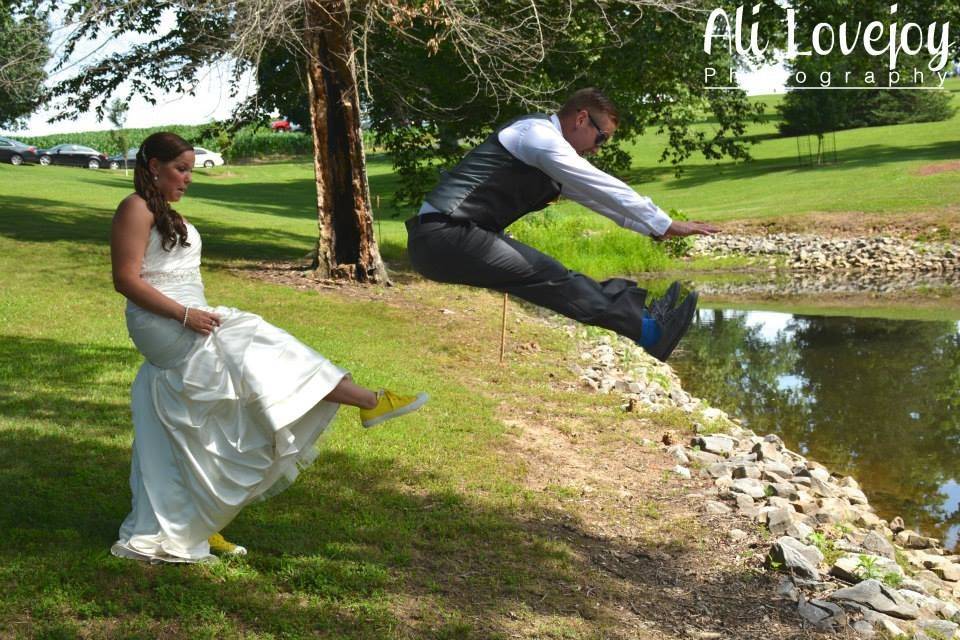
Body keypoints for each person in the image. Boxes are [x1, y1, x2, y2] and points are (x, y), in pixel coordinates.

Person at [110, 132, 428, 564]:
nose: (188, 179)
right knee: (260, 346)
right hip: (164, 321)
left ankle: (199, 523)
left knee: (212, 422)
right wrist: (184, 315)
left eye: (189, 170)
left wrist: (192, 311)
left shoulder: (163, 210)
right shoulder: (136, 207)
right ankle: (369, 400)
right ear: (153, 167)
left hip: (191, 313)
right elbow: (126, 280)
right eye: (180, 169)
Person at [406, 88, 720, 362]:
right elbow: (601, 185)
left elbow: (595, 200)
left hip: (451, 238)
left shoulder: (546, 153)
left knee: (553, 276)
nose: (598, 148)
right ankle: (649, 332)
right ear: (581, 118)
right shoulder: (539, 136)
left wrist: (653, 228)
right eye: (601, 138)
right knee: (552, 276)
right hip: (443, 235)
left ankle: (646, 319)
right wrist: (665, 221)